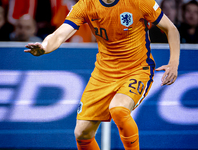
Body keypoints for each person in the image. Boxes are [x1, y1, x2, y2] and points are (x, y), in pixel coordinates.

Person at [24, 0, 180, 149]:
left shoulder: (138, 1)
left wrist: (174, 63)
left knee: (118, 109)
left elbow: (171, 28)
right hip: (104, 73)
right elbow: (60, 34)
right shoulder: (86, 5)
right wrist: (44, 47)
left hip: (137, 69)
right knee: (82, 133)